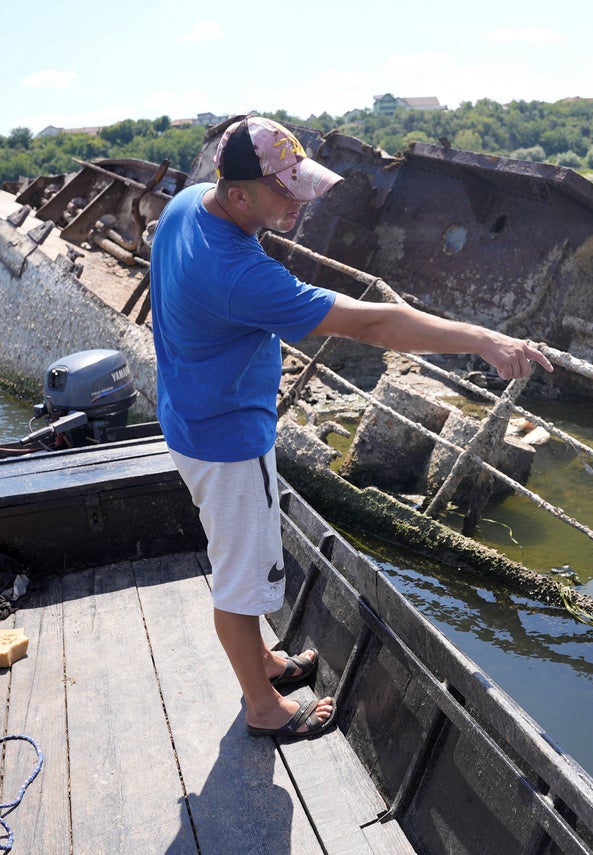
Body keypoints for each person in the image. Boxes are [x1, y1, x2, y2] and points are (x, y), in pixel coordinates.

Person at [150, 116, 552, 739]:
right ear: (237, 196)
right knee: (240, 582)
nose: (301, 199)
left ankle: (263, 663)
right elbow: (374, 324)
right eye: (285, 190)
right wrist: (481, 338)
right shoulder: (237, 274)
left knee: (241, 558)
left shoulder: (185, 207)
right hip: (226, 440)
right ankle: (263, 708)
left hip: (189, 414)